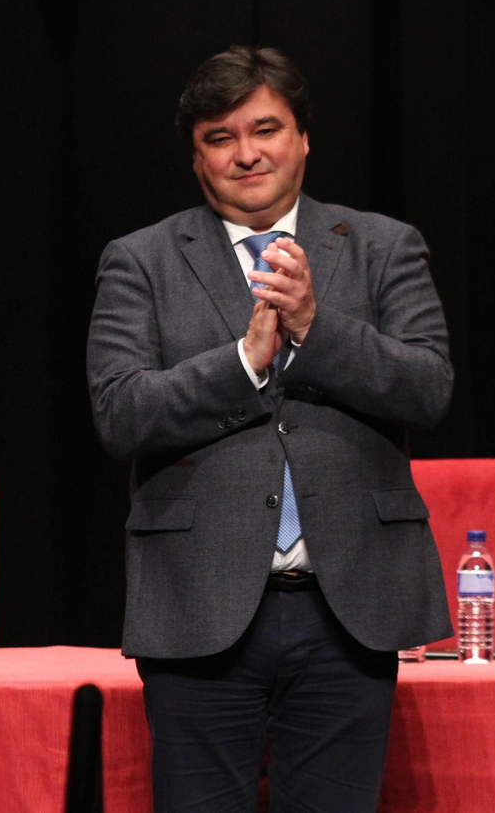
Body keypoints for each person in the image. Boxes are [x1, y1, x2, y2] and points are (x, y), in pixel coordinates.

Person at [87, 45, 454, 812]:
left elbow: (427, 388)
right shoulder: (142, 260)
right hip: (197, 604)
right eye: (219, 138)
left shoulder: (383, 246)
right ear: (195, 157)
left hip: (347, 603)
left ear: (304, 137)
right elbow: (120, 414)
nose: (246, 154)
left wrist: (316, 329)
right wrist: (245, 362)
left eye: (265, 129)